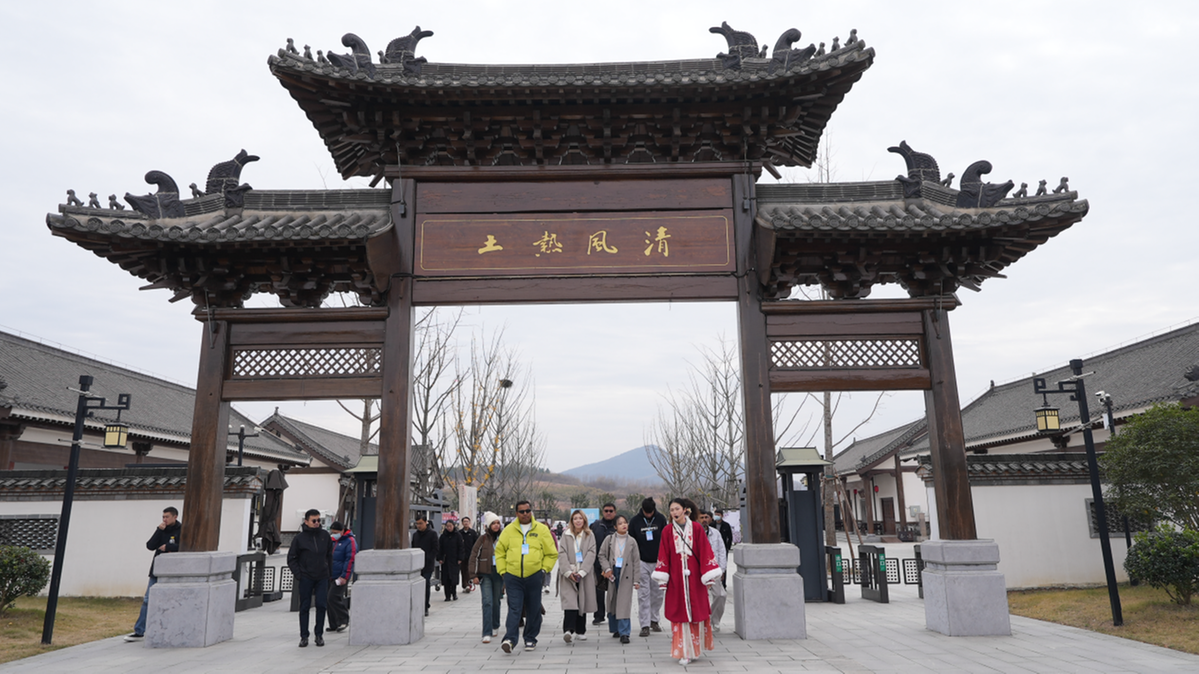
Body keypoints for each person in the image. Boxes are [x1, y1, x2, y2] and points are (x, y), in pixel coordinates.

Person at [652, 498, 721, 666]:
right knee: (680, 613)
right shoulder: (667, 530)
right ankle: (684, 651)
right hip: (676, 578)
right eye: (671, 510)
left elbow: (705, 550)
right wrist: (663, 578)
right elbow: (663, 553)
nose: (674, 512)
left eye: (677, 509)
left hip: (695, 578)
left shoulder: (696, 528)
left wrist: (708, 575)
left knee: (696, 612)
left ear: (685, 510)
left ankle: (694, 649)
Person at [494, 500, 557, 653]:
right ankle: (510, 639)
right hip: (513, 576)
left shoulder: (541, 530)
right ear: (516, 513)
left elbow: (551, 553)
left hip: (534, 575)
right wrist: (503, 571)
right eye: (521, 511)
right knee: (514, 608)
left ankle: (530, 638)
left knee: (533, 609)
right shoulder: (508, 530)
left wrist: (544, 570)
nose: (525, 514)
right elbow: (500, 552)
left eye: (528, 511)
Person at [124, 506, 181, 642]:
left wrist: (169, 547)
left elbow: (186, 546)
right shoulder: (161, 529)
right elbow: (150, 545)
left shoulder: (181, 530)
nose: (164, 519)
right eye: (163, 517)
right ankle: (139, 631)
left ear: (175, 517)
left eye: (167, 517)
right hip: (156, 570)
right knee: (147, 600)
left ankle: (170, 629)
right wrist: (159, 530)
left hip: (174, 571)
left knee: (172, 601)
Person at [288, 509, 334, 647]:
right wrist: (299, 574)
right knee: (304, 606)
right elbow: (291, 558)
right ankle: (304, 636)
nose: (317, 523)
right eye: (314, 520)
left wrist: (329, 573)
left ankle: (319, 635)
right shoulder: (299, 539)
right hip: (306, 576)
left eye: (319, 520)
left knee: (321, 605)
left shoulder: (325, 536)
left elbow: (329, 556)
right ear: (306, 521)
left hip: (322, 576)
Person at [598, 514, 641, 644]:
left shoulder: (632, 541)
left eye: (625, 522)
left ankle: (625, 632)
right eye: (620, 523)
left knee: (624, 602)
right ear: (615, 527)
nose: (624, 525)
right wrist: (607, 569)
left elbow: (636, 561)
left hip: (626, 573)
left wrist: (637, 580)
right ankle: (615, 628)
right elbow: (601, 555)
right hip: (612, 572)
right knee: (613, 600)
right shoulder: (609, 539)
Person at [628, 496, 667, 637]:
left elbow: (665, 539)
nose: (649, 515)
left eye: (651, 513)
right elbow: (631, 541)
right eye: (646, 513)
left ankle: (654, 620)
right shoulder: (635, 521)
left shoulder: (661, 519)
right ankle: (644, 625)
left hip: (658, 561)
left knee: (657, 594)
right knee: (643, 594)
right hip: (641, 561)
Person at [558, 509, 597, 644]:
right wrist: (568, 571)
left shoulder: (589, 535)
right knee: (570, 602)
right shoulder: (566, 535)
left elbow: (591, 553)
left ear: (584, 520)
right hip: (569, 573)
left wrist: (582, 572)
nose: (578, 521)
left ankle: (580, 631)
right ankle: (568, 630)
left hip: (584, 573)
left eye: (580, 518)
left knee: (582, 601)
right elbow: (562, 553)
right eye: (575, 518)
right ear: (572, 521)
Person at [468, 512, 504, 643]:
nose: (496, 525)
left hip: (499, 573)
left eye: (498, 523)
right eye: (493, 523)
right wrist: (473, 575)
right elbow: (474, 556)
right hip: (485, 573)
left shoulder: (503, 538)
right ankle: (486, 632)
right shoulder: (482, 539)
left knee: (496, 601)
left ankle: (495, 625)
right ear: (488, 525)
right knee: (487, 601)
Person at [698, 510, 728, 632]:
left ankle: (714, 620)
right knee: (700, 597)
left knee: (721, 595)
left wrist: (722, 570)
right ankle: (701, 621)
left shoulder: (715, 533)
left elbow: (722, 551)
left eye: (706, 517)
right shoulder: (693, 533)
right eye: (701, 517)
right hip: (699, 571)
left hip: (713, 569)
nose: (704, 519)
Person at [589, 502, 618, 625]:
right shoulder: (596, 525)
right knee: (598, 590)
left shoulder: (618, 525)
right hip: (597, 563)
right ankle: (599, 615)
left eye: (611, 511)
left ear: (615, 512)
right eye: (606, 511)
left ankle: (614, 614)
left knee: (614, 590)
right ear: (603, 512)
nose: (608, 513)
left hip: (615, 563)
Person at [326, 521, 356, 633]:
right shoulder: (332, 541)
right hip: (330, 574)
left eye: (336, 532)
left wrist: (345, 576)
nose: (334, 534)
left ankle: (343, 619)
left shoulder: (350, 541)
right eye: (333, 532)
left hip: (341, 575)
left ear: (342, 531)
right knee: (328, 599)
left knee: (333, 597)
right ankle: (333, 623)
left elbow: (350, 559)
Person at [411, 515, 439, 617]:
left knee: (426, 584)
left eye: (421, 523)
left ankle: (425, 606)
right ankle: (418, 606)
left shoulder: (432, 534)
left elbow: (436, 548)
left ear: (426, 522)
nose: (419, 526)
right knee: (417, 586)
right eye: (417, 524)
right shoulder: (415, 535)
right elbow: (413, 548)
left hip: (427, 565)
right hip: (417, 565)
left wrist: (429, 558)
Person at [437, 519, 465, 601]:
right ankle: (447, 596)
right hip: (445, 560)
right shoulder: (443, 536)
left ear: (453, 526)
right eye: (447, 526)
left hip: (454, 560)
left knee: (453, 578)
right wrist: (440, 558)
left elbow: (461, 547)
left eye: (450, 526)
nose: (449, 528)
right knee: (446, 578)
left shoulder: (458, 535)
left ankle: (454, 593)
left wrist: (460, 558)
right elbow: (440, 548)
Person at [713, 507, 734, 586]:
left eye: (718, 515)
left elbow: (730, 537)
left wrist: (728, 547)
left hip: (723, 548)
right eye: (715, 515)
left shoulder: (726, 525)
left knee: (723, 565)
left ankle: (723, 583)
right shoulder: (712, 525)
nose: (716, 516)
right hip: (713, 548)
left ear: (722, 515)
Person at [459, 517, 479, 594]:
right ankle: (465, 585)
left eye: (467, 521)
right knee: (463, 570)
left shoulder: (473, 533)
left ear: (469, 522)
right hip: (462, 555)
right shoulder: (459, 533)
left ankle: (469, 584)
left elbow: (476, 543)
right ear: (462, 523)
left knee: (469, 570)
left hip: (471, 555)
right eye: (464, 521)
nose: (466, 523)